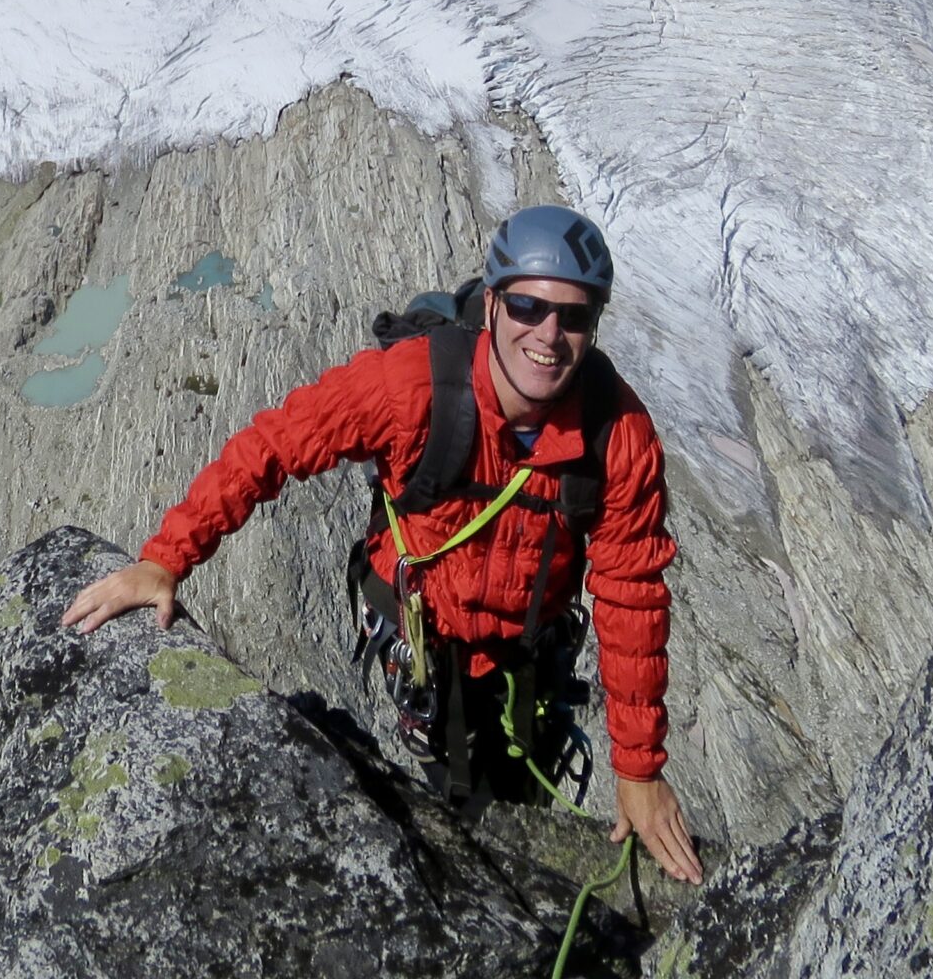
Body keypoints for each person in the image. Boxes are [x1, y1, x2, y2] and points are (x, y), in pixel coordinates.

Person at [62, 204, 703, 884]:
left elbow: (632, 592)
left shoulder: (618, 434)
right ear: (492, 306)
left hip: (529, 658)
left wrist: (639, 770)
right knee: (465, 804)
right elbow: (275, 446)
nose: (549, 334)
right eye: (528, 306)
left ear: (594, 326)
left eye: (574, 317)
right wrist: (167, 557)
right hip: (430, 644)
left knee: (522, 784)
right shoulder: (412, 387)